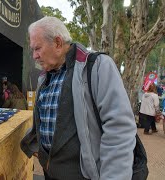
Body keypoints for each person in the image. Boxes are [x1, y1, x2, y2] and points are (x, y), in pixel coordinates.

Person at [20, 17, 137, 180]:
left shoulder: (98, 66)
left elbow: (119, 128)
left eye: (37, 48)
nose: (34, 56)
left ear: (58, 43)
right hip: (50, 172)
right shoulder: (44, 77)